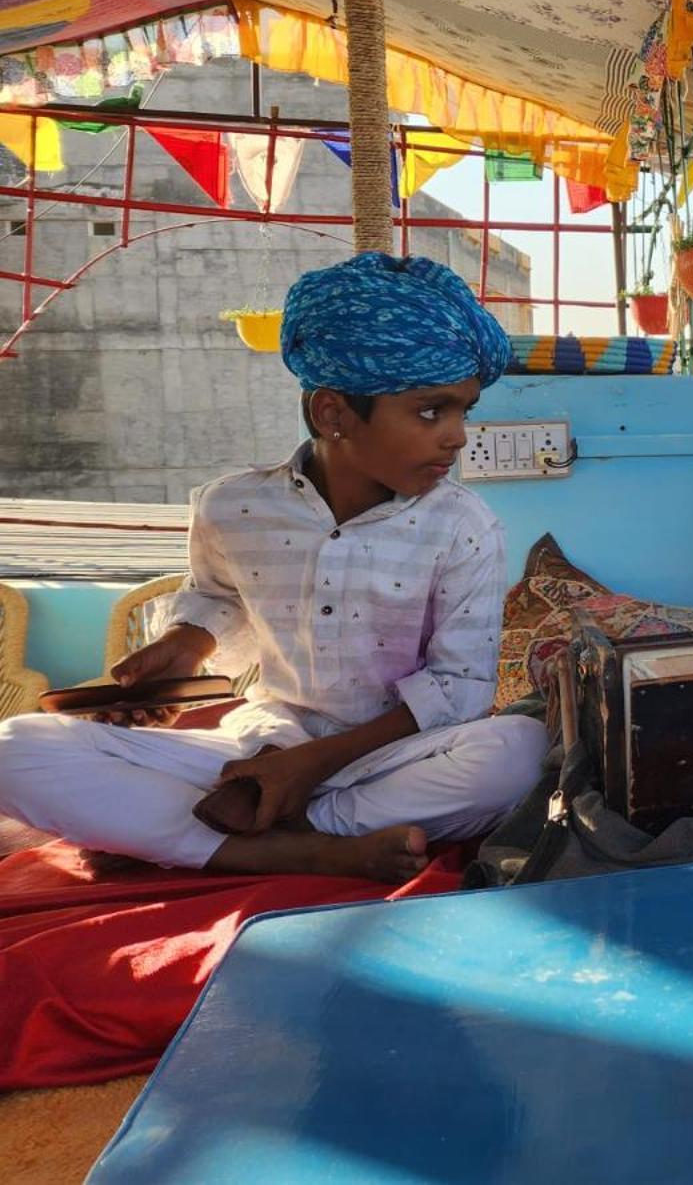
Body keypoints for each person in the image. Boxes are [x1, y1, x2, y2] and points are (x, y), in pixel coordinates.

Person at [0, 254, 546, 882]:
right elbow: (220, 595)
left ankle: (240, 831)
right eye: (431, 411)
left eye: (463, 413)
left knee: (519, 754)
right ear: (333, 415)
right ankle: (301, 844)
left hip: (392, 758)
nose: (456, 437)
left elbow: (460, 689)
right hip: (261, 745)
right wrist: (184, 646)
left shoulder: (464, 527)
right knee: (18, 748)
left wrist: (308, 769)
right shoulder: (229, 506)